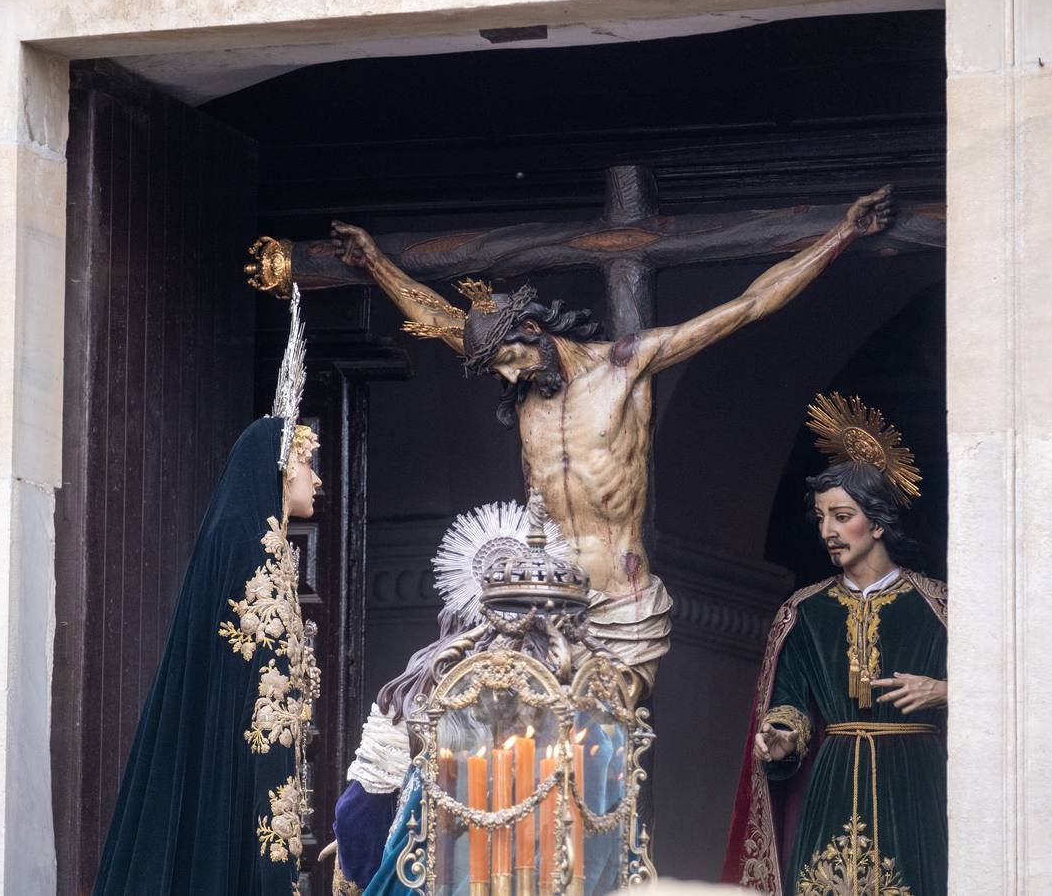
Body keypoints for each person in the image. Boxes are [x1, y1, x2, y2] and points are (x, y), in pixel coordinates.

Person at [330, 186, 895, 693]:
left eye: (509, 360)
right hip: (541, 604)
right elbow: (439, 316)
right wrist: (376, 263)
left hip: (621, 603)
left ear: (533, 331)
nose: (507, 377)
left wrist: (841, 235)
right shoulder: (522, 383)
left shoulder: (627, 367)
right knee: (523, 758)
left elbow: (748, 305)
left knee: (607, 759)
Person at [94, 294, 323, 896]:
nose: (317, 479)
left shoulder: (265, 547)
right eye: (308, 464)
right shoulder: (246, 548)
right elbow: (246, 689)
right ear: (278, 469)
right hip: (249, 780)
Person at [722, 393, 947, 896]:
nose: (829, 531)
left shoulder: (940, 609)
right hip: (833, 778)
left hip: (914, 779)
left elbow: (1006, 696)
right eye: (822, 518)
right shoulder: (805, 611)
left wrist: (944, 690)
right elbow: (789, 702)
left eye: (842, 516)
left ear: (879, 521)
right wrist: (781, 736)